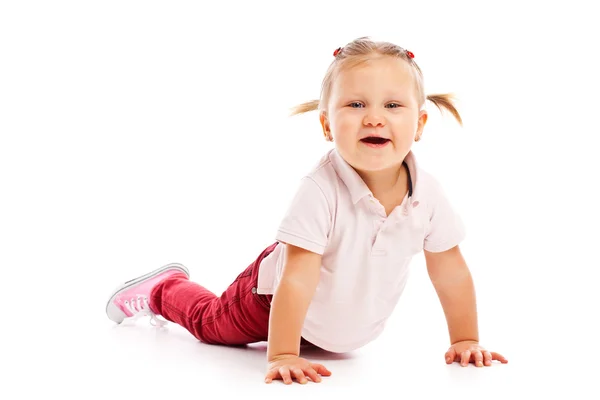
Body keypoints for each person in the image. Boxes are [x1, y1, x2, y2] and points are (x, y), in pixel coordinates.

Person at [105, 36, 508, 385]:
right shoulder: (321, 189)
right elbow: (296, 278)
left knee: (307, 323)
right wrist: (281, 354)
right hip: (269, 298)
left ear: (419, 123)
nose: (373, 117)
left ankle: (287, 333)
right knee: (211, 326)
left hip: (327, 328)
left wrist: (464, 339)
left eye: (392, 105)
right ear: (327, 125)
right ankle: (163, 290)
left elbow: (450, 270)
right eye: (354, 104)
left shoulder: (428, 195)